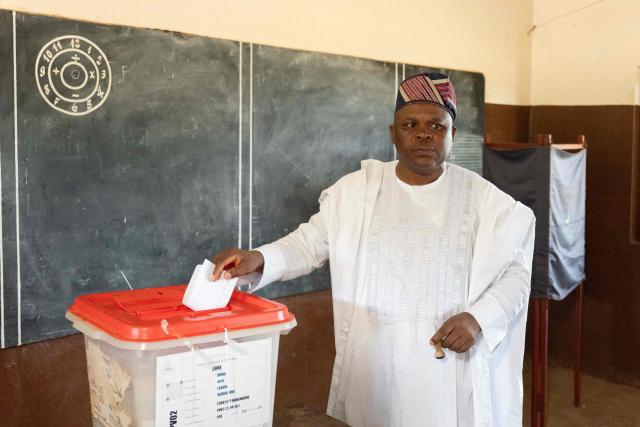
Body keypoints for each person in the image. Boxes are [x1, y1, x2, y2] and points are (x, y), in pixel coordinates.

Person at [211, 72, 535, 427]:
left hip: (448, 371)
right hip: (375, 367)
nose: (424, 133)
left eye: (437, 126)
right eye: (410, 124)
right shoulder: (357, 191)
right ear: (393, 133)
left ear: (452, 135)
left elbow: (516, 275)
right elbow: (309, 243)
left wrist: (479, 319)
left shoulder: (486, 201)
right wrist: (259, 258)